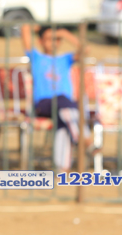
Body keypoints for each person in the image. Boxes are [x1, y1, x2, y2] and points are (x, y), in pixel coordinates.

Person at [21, 23, 83, 172]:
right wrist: (41, 28)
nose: (54, 42)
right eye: (49, 39)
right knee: (63, 102)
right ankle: (83, 139)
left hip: (65, 107)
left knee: (65, 121)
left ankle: (63, 168)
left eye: (57, 39)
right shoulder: (36, 57)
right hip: (44, 104)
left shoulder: (65, 59)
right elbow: (25, 29)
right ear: (41, 41)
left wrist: (65, 33)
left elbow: (85, 50)